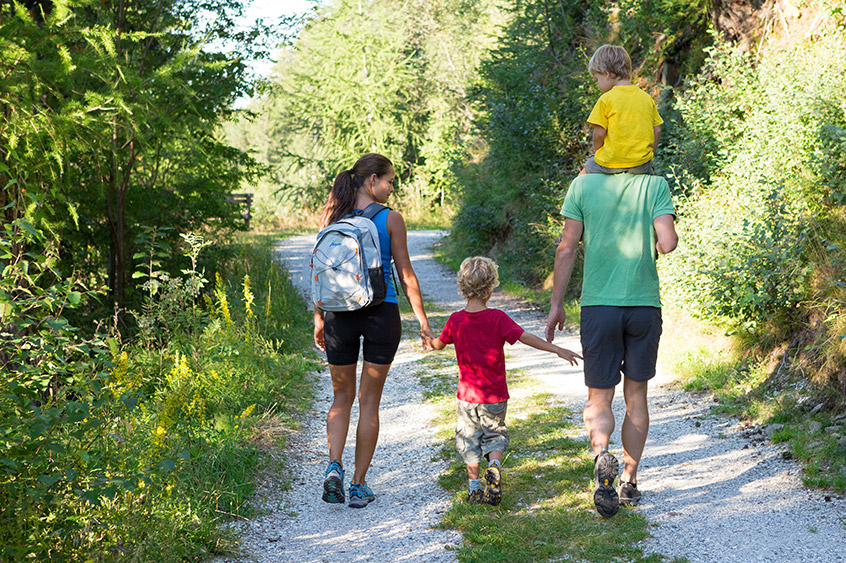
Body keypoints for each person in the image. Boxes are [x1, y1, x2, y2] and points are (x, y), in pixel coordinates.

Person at [545, 173, 678, 517]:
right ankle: (629, 482)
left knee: (599, 397)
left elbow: (567, 247)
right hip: (643, 306)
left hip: (598, 306)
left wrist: (556, 304)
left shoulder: (582, 185)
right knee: (636, 397)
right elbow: (667, 244)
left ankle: (602, 453)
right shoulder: (656, 185)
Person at [313, 153, 435, 509]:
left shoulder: (331, 216)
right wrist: (424, 323)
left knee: (340, 398)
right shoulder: (391, 219)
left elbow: (321, 271)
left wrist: (319, 319)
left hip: (338, 315)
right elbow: (407, 275)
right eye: (389, 181)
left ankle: (333, 466)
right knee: (369, 402)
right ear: (372, 181)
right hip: (382, 314)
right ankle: (358, 484)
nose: (392, 188)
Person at [430, 256, 582, 505]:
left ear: (462, 286)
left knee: (469, 439)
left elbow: (438, 344)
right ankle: (495, 466)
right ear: (490, 288)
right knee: (495, 435)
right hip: (494, 395)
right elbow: (525, 337)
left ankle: (474, 488)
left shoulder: (456, 320)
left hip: (467, 397)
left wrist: (429, 340)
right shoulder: (498, 318)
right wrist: (557, 349)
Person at [581, 44, 663, 175]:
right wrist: (649, 154)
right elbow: (657, 130)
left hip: (610, 163)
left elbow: (599, 134)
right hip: (641, 165)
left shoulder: (606, 99)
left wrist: (598, 153)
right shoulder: (646, 98)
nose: (597, 84)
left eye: (597, 79)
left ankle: (571, 195)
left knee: (586, 169)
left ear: (607, 74)